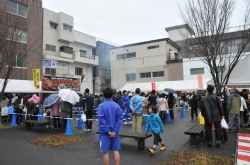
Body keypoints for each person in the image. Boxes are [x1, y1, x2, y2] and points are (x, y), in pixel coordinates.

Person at [98, 88, 123, 165]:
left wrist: (108, 131)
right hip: (114, 132)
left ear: (103, 95)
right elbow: (120, 119)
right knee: (115, 150)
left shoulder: (101, 106)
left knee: (105, 152)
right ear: (113, 95)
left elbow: (101, 119)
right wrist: (115, 131)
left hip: (104, 133)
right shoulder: (117, 106)